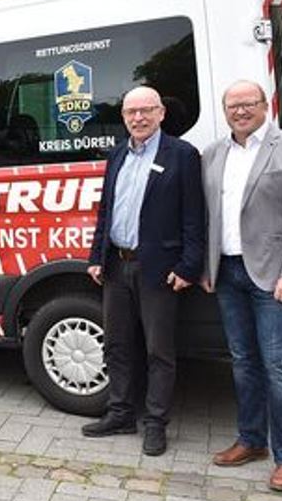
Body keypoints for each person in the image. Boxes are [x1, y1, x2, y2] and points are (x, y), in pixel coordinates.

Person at [202, 80, 282, 492]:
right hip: (229, 274)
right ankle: (252, 440)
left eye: (248, 103)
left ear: (264, 105)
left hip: (274, 277)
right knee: (243, 362)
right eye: (232, 105)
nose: (240, 111)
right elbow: (212, 216)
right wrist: (208, 266)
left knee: (279, 367)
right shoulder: (214, 153)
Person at [83, 86, 205, 456]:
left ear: (161, 113)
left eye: (146, 110)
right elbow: (106, 211)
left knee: (159, 351)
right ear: (123, 116)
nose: (138, 118)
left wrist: (188, 266)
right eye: (130, 112)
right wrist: (96, 256)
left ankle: (155, 422)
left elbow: (195, 217)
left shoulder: (182, 155)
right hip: (116, 266)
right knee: (118, 345)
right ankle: (120, 413)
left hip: (160, 270)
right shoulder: (117, 154)